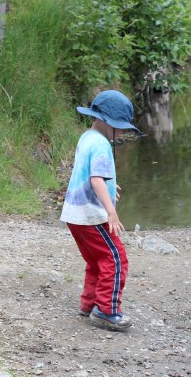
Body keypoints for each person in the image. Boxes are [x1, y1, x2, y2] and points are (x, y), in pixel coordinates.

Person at [60, 90, 140, 332]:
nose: (123, 132)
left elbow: (87, 173)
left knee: (96, 259)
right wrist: (111, 212)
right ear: (108, 121)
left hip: (74, 214)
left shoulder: (87, 137)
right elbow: (96, 179)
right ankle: (107, 310)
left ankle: (89, 303)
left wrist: (109, 184)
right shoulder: (103, 145)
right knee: (115, 259)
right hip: (92, 216)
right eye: (121, 127)